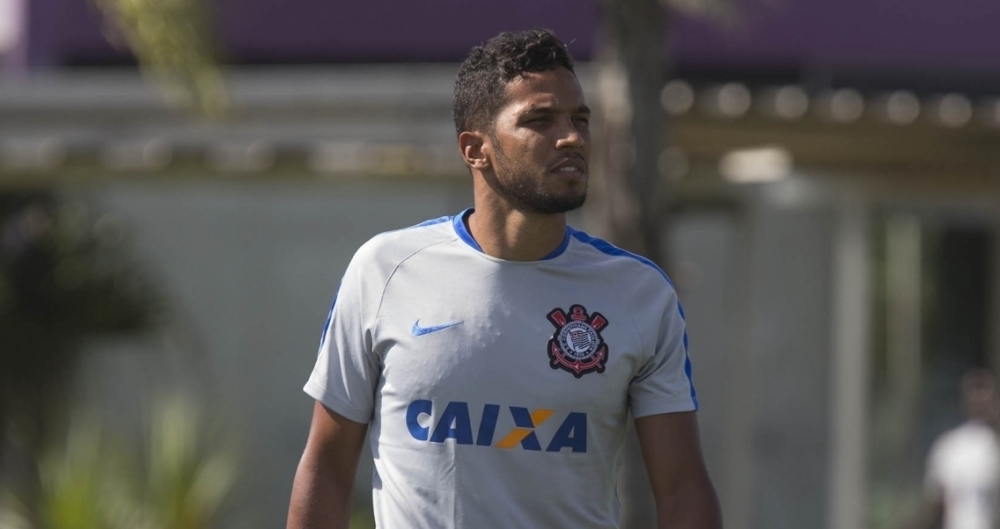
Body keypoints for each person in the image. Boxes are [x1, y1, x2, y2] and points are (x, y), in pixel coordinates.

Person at [286, 28, 722, 529]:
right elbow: (327, 466)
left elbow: (684, 490)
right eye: (540, 119)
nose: (572, 137)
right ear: (476, 149)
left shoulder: (639, 294)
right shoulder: (385, 271)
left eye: (580, 119)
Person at [905, 368, 1000, 529]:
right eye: (975, 397)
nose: (980, 403)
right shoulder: (952, 447)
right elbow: (936, 503)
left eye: (985, 398)